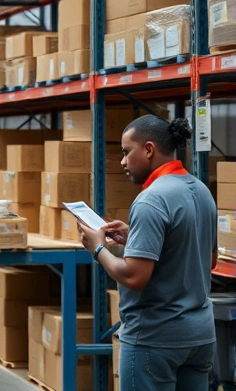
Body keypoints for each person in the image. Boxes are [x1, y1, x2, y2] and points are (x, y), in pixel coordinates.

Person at [78, 116, 216, 391]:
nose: (122, 161)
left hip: (155, 339)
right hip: (199, 337)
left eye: (126, 152)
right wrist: (136, 237)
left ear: (149, 149)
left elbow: (134, 276)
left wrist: (98, 248)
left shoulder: (151, 199)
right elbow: (207, 259)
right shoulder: (200, 190)